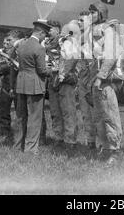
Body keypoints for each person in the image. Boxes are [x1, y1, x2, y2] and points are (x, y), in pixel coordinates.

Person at [88, 2, 124, 166]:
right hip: (96, 80)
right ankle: (105, 147)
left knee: (110, 116)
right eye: (90, 12)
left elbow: (110, 57)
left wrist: (100, 77)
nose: (91, 14)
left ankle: (114, 151)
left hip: (106, 81)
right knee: (99, 118)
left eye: (93, 11)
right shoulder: (95, 31)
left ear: (101, 13)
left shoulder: (109, 31)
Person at [14, 21, 51, 154]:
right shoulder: (39, 48)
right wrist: (52, 71)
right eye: (44, 35)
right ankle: (31, 149)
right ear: (40, 32)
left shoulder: (21, 45)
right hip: (34, 85)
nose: (44, 38)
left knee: (21, 116)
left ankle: (18, 145)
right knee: (34, 118)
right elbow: (41, 71)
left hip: (21, 83)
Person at [55, 20, 80, 152]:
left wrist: (61, 77)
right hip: (68, 80)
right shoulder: (72, 43)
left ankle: (70, 141)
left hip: (67, 81)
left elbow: (68, 64)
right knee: (67, 111)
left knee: (68, 111)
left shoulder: (69, 44)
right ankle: (68, 139)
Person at [0, 30, 24, 135]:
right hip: (6, 86)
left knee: (20, 112)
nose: (6, 43)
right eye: (4, 41)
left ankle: (21, 134)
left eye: (9, 40)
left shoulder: (21, 51)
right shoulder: (3, 53)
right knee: (2, 111)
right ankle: (6, 133)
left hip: (19, 86)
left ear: (18, 40)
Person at [77, 11, 97, 151]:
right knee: (85, 113)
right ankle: (90, 142)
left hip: (93, 81)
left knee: (97, 113)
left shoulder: (94, 39)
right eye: (78, 20)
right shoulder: (78, 38)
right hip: (82, 81)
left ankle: (103, 143)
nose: (78, 23)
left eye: (82, 21)